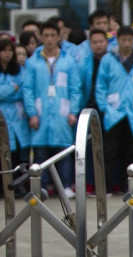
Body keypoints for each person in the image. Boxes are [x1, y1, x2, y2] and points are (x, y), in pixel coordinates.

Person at [22, 20, 82, 198]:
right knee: (41, 153)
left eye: (52, 35)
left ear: (59, 36)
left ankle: (64, 185)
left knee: (63, 151)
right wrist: (32, 113)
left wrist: (73, 111)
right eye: (45, 35)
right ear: (40, 37)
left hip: (61, 112)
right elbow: (28, 90)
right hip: (41, 112)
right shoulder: (33, 62)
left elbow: (75, 89)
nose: (49, 39)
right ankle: (43, 186)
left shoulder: (68, 61)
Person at [96, 26, 133, 192]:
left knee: (132, 151)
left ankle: (130, 185)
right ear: (117, 40)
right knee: (110, 150)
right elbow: (100, 85)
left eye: (130, 40)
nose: (126, 43)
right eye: (123, 40)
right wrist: (104, 107)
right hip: (114, 110)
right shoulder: (108, 59)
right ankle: (108, 184)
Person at [0, 37, 31, 196]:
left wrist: (6, 91)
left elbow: (24, 89)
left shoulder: (19, 69)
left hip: (18, 117)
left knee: (20, 154)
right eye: (3, 50)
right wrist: (13, 87)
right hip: (2, 116)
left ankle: (20, 186)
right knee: (4, 154)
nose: (7, 53)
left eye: (9, 50)